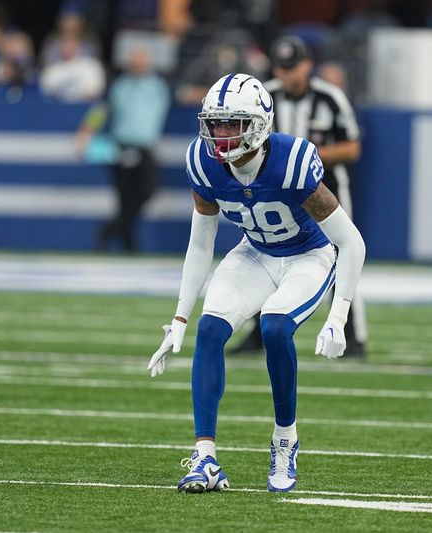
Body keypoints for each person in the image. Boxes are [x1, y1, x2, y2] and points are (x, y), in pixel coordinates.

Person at [147, 73, 365, 493]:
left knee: (275, 326)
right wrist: (179, 317)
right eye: (215, 123)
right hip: (256, 252)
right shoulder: (202, 161)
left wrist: (339, 316)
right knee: (209, 329)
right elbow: (200, 245)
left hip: (308, 254)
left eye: (233, 124)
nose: (221, 135)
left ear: (260, 124)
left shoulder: (292, 160)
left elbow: (351, 242)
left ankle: (286, 439)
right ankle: (206, 460)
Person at [228, 35, 368, 357]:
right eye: (281, 67)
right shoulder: (265, 97)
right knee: (268, 254)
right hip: (276, 191)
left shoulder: (330, 97)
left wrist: (304, 158)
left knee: (342, 251)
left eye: (293, 66)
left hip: (325, 188)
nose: (288, 74)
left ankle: (351, 333)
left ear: (308, 65)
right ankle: (258, 333)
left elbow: (352, 146)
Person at [75, 47, 170, 251]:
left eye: (141, 61)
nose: (138, 66)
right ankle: (128, 243)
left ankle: (111, 229)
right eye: (135, 61)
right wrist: (86, 130)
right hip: (122, 145)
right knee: (124, 195)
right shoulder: (120, 87)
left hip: (145, 147)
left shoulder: (158, 87)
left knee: (147, 191)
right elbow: (101, 109)